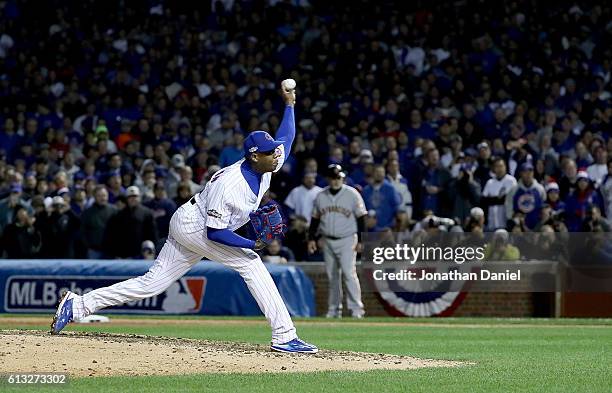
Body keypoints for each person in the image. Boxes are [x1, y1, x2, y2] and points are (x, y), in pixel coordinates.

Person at [51, 81, 318, 354]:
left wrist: (289, 105)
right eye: (268, 152)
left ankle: (79, 304)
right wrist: (252, 245)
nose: (275, 155)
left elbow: (287, 137)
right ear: (252, 156)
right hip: (196, 225)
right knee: (251, 264)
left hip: (193, 222)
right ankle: (284, 335)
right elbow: (214, 233)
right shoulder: (230, 185)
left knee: (151, 284)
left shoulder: (267, 164)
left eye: (274, 151)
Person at [308, 164, 368, 318]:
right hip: (328, 240)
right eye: (333, 178)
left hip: (348, 239)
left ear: (342, 178)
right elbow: (315, 220)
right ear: (328, 179)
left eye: (338, 177)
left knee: (349, 273)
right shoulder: (321, 196)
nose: (336, 180)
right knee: (332, 276)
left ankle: (357, 310)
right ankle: (334, 310)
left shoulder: (352, 194)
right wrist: (311, 239)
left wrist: (362, 240)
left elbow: (362, 218)